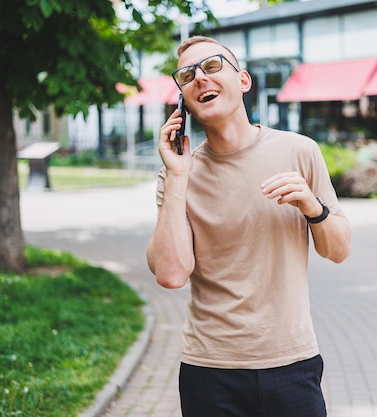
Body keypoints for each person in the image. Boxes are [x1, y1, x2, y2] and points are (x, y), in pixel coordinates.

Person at [146, 36, 352, 417]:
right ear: (182, 102)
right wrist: (177, 177)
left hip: (292, 362)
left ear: (243, 80)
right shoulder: (176, 175)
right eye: (187, 76)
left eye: (211, 66)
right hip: (210, 371)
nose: (200, 79)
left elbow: (338, 251)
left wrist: (312, 206)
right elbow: (172, 275)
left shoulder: (299, 151)